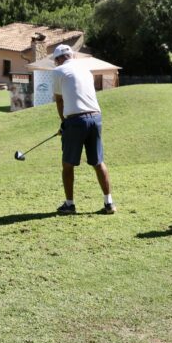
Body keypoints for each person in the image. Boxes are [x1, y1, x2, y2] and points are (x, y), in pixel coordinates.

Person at [51, 44, 115, 215]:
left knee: (67, 164)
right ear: (71, 56)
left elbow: (59, 100)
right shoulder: (85, 69)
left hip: (75, 121)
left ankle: (69, 204)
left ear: (58, 59)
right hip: (96, 118)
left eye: (55, 61)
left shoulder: (58, 72)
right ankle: (109, 203)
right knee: (98, 162)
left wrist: (64, 122)